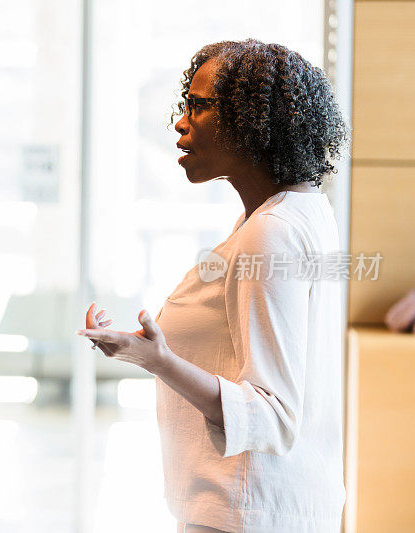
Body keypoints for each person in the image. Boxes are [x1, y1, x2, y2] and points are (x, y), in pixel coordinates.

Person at [76, 39, 349, 532]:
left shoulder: (273, 231)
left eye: (199, 107)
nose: (181, 122)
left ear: (253, 120)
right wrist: (146, 353)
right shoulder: (298, 211)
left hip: (246, 511)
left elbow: (272, 415)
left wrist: (160, 361)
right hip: (267, 507)